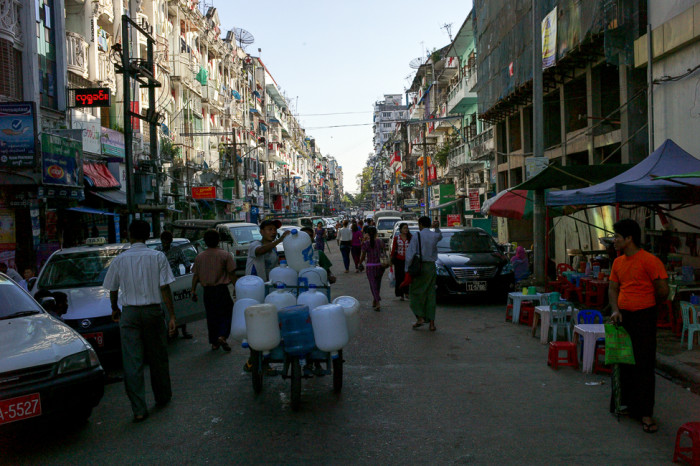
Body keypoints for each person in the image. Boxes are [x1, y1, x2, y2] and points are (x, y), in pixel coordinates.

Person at [102, 220, 177, 423]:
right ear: (147, 235)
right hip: (153, 312)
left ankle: (139, 409)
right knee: (158, 357)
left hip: (130, 313)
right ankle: (162, 396)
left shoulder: (120, 260)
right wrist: (171, 315)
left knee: (132, 361)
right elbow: (165, 288)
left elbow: (113, 288)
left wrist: (114, 308)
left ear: (129, 235)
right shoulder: (158, 256)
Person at [609, 218, 668, 434]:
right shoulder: (618, 263)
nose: (614, 240)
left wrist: (647, 305)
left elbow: (663, 290)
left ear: (629, 238)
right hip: (623, 318)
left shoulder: (650, 261)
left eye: (617, 237)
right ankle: (628, 406)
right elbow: (613, 288)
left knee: (644, 364)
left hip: (645, 317)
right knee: (624, 361)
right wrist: (615, 309)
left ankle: (646, 413)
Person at [190, 230, 237, 352]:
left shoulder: (199, 257)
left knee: (212, 316)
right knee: (228, 313)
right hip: (221, 290)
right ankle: (222, 336)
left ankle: (214, 342)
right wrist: (236, 288)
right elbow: (232, 273)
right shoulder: (225, 255)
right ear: (218, 241)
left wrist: (193, 290)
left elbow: (195, 275)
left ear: (205, 242)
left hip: (208, 291)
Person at [405, 216, 442, 331]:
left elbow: (410, 254)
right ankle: (431, 323)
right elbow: (439, 235)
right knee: (430, 294)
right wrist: (436, 228)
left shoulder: (417, 235)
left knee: (415, 292)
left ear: (420, 224)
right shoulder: (434, 235)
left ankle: (420, 317)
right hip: (431, 267)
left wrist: (407, 269)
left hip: (419, 267)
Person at [160, 231, 193, 339]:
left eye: (167, 241)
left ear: (170, 241)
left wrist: (184, 278)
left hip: (175, 282)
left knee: (179, 306)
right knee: (165, 307)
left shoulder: (177, 250)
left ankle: (183, 330)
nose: (165, 244)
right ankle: (169, 330)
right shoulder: (157, 251)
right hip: (162, 283)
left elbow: (187, 264)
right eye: (163, 241)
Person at [359, 226, 385, 311]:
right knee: (377, 285)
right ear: (376, 233)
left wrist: (360, 263)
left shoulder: (366, 243)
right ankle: (375, 300)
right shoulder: (380, 242)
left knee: (373, 285)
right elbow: (384, 252)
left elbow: (363, 255)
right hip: (380, 266)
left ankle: (377, 302)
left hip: (370, 266)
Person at [391, 223, 412, 300]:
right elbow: (393, 249)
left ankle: (407, 293)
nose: (405, 229)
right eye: (404, 228)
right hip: (398, 260)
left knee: (407, 277)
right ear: (400, 229)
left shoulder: (410, 238)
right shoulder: (397, 238)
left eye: (406, 228)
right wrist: (391, 259)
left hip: (408, 260)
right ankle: (401, 294)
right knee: (399, 277)